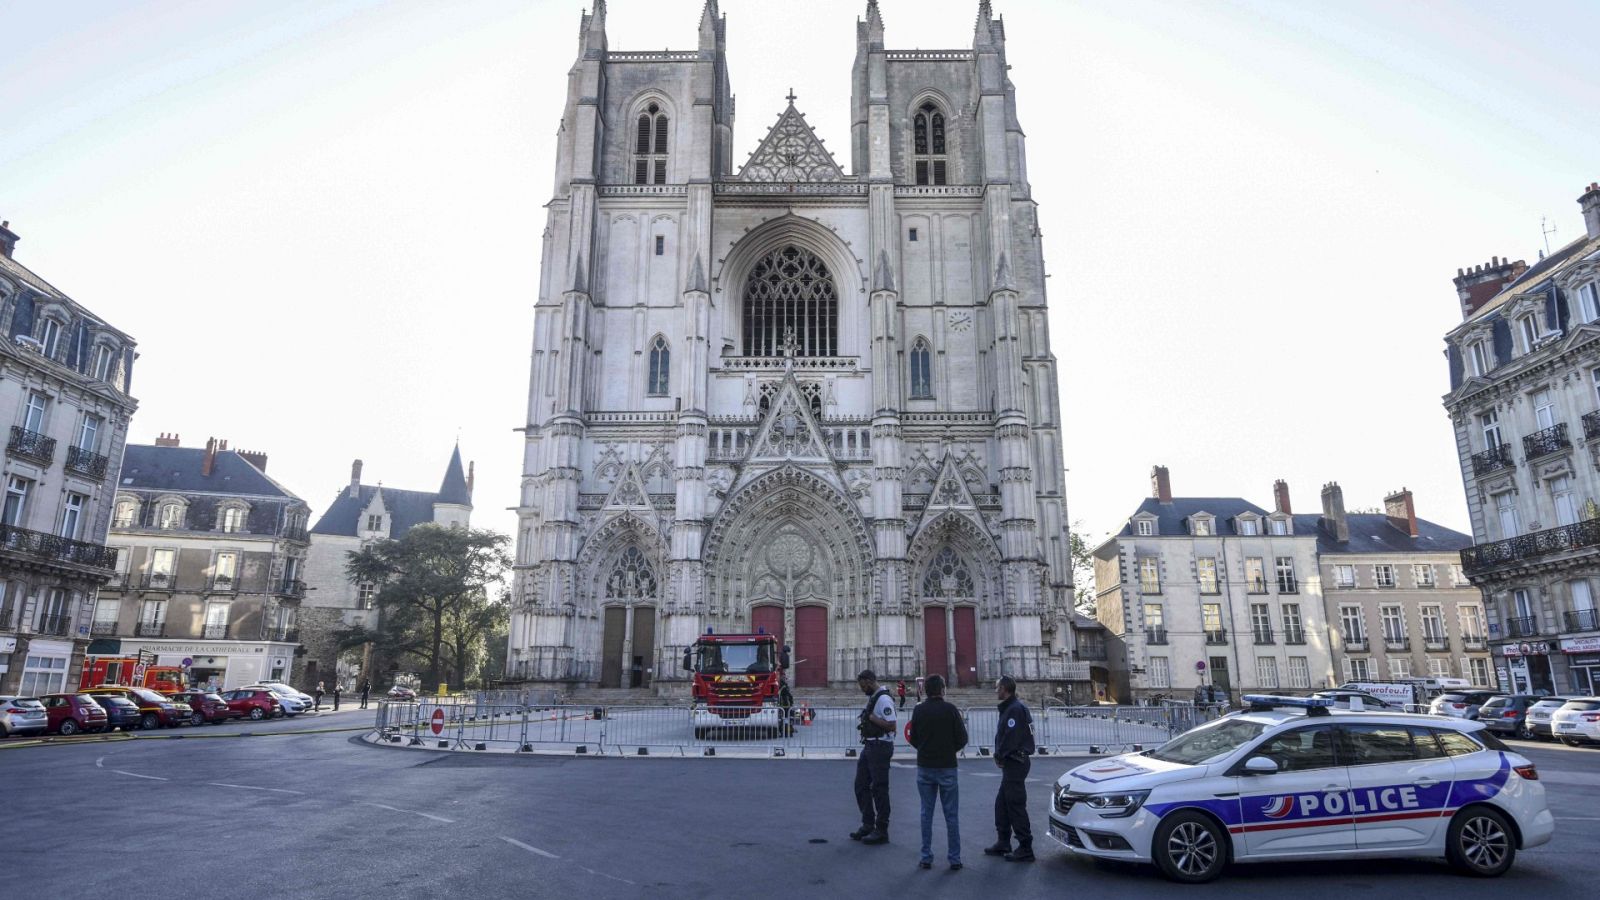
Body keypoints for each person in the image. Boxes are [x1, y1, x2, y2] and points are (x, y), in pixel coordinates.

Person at [907, 674, 967, 870]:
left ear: (925, 690)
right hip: (947, 766)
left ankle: (926, 857)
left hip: (925, 766)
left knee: (926, 813)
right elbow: (962, 738)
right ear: (943, 689)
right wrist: (949, 751)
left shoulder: (919, 710)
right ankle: (954, 859)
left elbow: (913, 737)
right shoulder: (950, 710)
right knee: (951, 815)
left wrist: (925, 750)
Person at [984, 675, 1035, 862]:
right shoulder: (1012, 708)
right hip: (1013, 762)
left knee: (1015, 804)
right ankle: (1003, 841)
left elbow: (1011, 738)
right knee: (1002, 803)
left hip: (1015, 762)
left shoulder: (1014, 710)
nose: (995, 690)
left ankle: (1025, 846)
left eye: (997, 687)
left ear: (1004, 688)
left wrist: (1000, 755)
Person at [850, 669, 896, 846]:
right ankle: (868, 824)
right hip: (870, 745)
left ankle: (882, 829)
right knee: (861, 785)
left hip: (880, 746)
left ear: (869, 681)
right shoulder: (874, 697)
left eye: (863, 686)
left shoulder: (883, 699)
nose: (862, 689)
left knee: (879, 788)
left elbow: (892, 725)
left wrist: (871, 718)